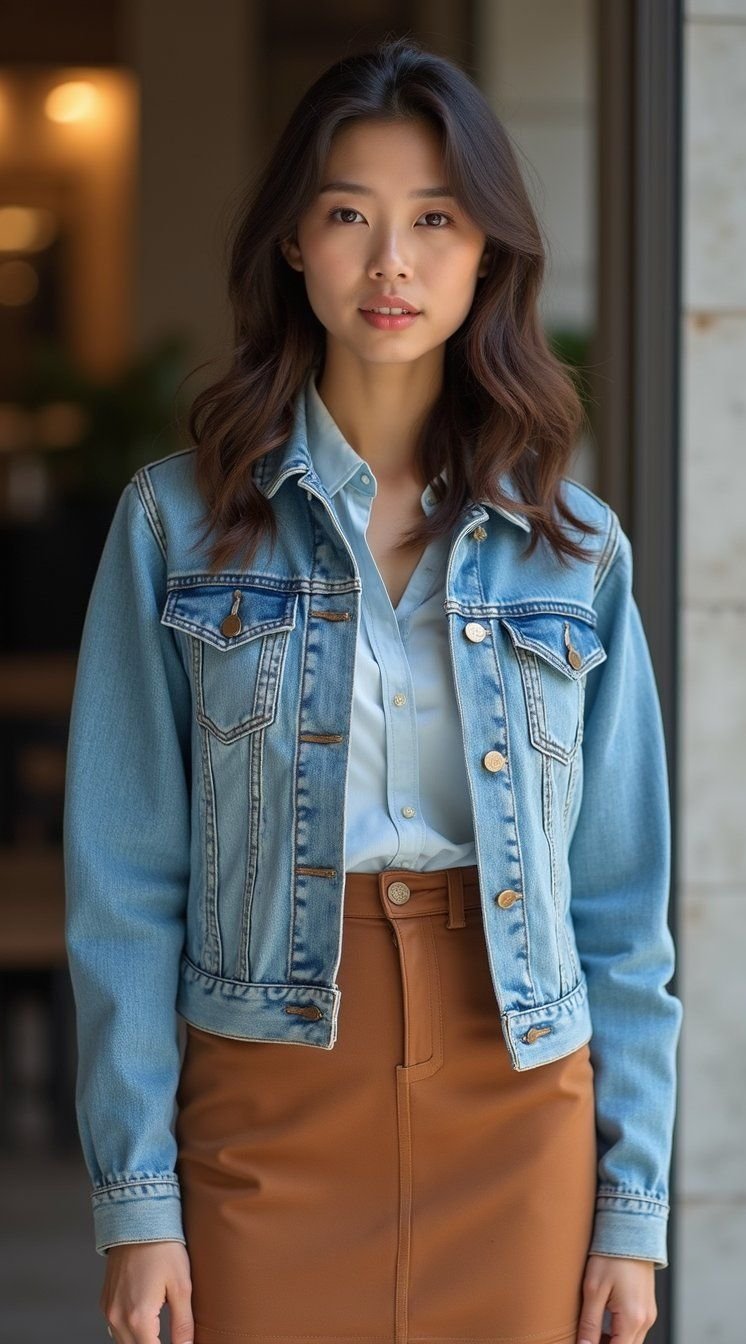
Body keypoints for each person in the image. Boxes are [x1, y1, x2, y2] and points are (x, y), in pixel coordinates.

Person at [63, 35, 683, 1344]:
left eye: (436, 220)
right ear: (295, 241)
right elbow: (122, 884)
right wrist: (138, 1199)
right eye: (350, 214)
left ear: (488, 254)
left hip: (516, 1096)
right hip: (267, 1092)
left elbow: (624, 905)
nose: (390, 262)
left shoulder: (576, 550)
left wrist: (632, 1213)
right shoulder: (175, 527)